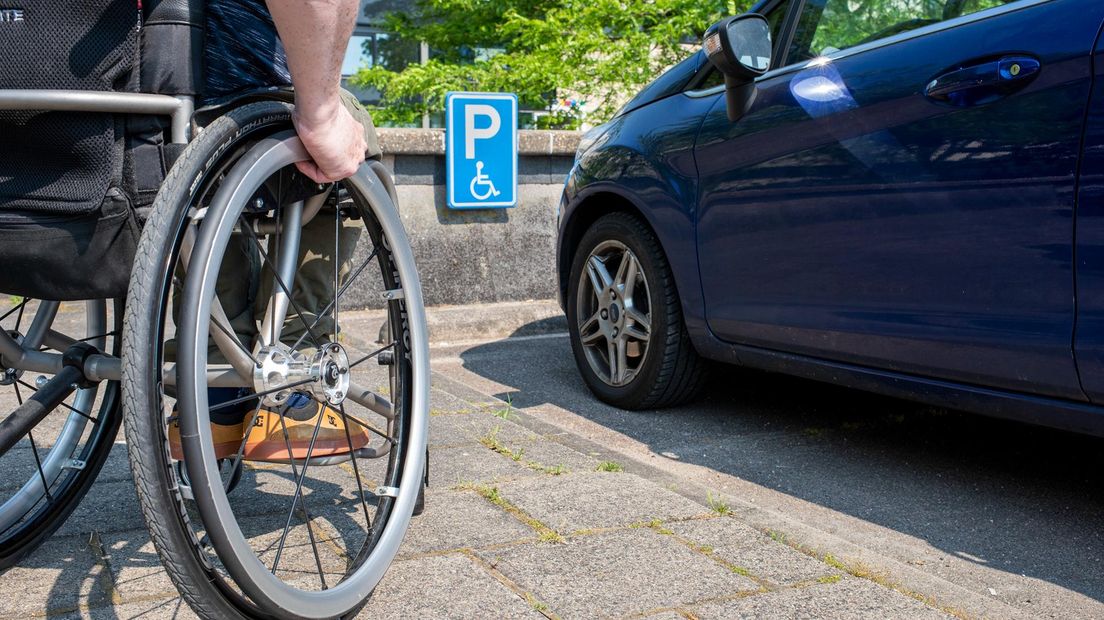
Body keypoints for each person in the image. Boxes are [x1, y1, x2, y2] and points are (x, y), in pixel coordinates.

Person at [168, 0, 379, 462]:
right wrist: (322, 111)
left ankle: (214, 395)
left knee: (202, 198)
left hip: (144, 118)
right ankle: (296, 377)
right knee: (352, 142)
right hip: (246, 94)